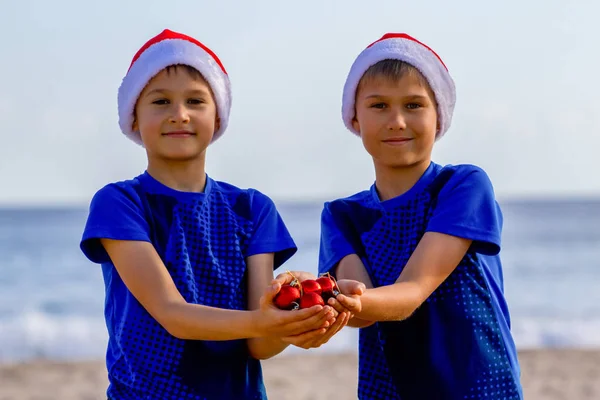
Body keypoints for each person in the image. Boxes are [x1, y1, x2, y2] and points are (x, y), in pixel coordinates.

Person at [79, 28, 340, 400]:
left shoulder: (252, 209)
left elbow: (257, 344)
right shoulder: (121, 203)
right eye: (160, 102)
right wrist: (264, 321)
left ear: (218, 117)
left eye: (196, 101)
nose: (179, 115)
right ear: (133, 118)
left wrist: (294, 327)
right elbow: (172, 313)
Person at [318, 33, 523, 399]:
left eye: (414, 105)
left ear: (438, 115)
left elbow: (413, 290)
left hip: (478, 386)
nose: (397, 121)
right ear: (354, 118)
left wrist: (346, 298)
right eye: (378, 106)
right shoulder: (342, 215)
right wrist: (323, 296)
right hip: (390, 388)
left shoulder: (462, 186)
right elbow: (363, 312)